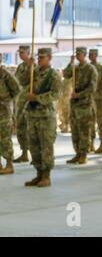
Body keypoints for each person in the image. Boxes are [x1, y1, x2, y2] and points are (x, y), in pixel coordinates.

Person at [24, 48, 62, 187]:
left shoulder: (53, 75)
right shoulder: (34, 72)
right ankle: (38, 174)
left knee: (46, 146)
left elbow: (55, 94)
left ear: (49, 58)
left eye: (42, 57)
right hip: (33, 115)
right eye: (38, 57)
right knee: (34, 146)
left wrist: (37, 98)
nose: (39, 59)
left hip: (46, 116)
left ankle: (46, 176)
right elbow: (22, 83)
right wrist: (28, 66)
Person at [63, 47, 98, 165]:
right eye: (76, 54)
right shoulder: (75, 68)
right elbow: (66, 75)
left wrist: (79, 94)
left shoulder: (90, 69)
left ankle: (84, 154)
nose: (77, 56)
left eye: (79, 54)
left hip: (85, 104)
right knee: (75, 130)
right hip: (75, 104)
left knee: (84, 130)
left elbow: (92, 88)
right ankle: (77, 153)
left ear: (85, 55)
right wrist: (70, 63)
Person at [0, 54, 21, 175]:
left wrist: (6, 100)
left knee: (5, 138)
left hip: (3, 112)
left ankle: (9, 164)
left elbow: (17, 90)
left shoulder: (5, 75)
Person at [13, 45, 31, 163]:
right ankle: (24, 153)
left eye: (22, 52)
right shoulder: (20, 67)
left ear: (28, 52)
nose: (20, 54)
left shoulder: (33, 66)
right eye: (19, 52)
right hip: (20, 101)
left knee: (31, 128)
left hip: (29, 102)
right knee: (20, 127)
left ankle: (35, 155)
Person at [89, 49, 102, 154]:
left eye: (93, 55)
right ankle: (91, 143)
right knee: (90, 121)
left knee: (100, 121)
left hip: (99, 99)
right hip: (89, 99)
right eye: (90, 55)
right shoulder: (87, 68)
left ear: (96, 55)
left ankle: (101, 144)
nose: (92, 56)